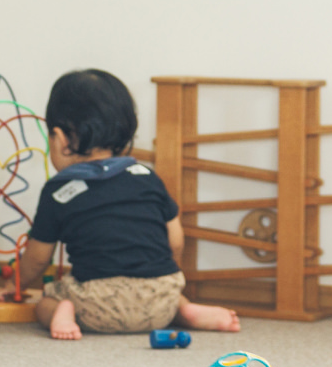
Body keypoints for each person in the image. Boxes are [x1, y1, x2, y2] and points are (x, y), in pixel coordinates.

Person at [21, 69, 240, 340]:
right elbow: (175, 241)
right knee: (170, 294)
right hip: (159, 304)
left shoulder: (57, 191)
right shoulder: (147, 177)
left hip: (96, 306)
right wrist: (159, 276)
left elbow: (38, 258)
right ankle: (185, 310)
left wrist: (15, 284)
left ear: (61, 138)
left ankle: (62, 313)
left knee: (46, 302)